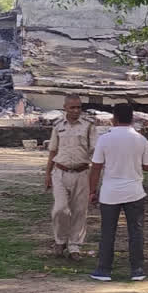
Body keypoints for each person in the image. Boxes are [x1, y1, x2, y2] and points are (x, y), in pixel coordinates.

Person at [88, 103, 148, 282]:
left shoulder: (105, 139)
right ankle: (137, 269)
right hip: (134, 191)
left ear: (114, 118)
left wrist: (92, 191)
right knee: (136, 231)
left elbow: (96, 168)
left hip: (110, 192)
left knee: (108, 231)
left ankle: (104, 269)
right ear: (132, 118)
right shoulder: (141, 139)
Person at [45, 95, 96, 260]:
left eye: (79, 107)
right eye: (72, 107)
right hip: (60, 172)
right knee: (60, 209)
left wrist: (97, 175)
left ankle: (75, 246)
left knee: (79, 211)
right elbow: (53, 150)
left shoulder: (88, 126)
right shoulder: (58, 126)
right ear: (65, 108)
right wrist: (47, 174)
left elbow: (95, 152)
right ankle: (60, 240)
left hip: (82, 173)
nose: (76, 111)